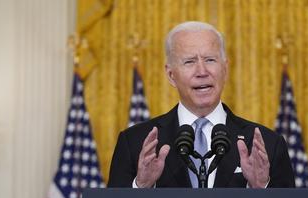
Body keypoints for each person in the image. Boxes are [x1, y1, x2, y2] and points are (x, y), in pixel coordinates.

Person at [108, 21, 294, 188]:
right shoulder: (134, 143)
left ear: (225, 69)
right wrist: (141, 187)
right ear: (171, 75)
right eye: (189, 62)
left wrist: (260, 188)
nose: (202, 71)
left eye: (210, 60)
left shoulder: (268, 145)